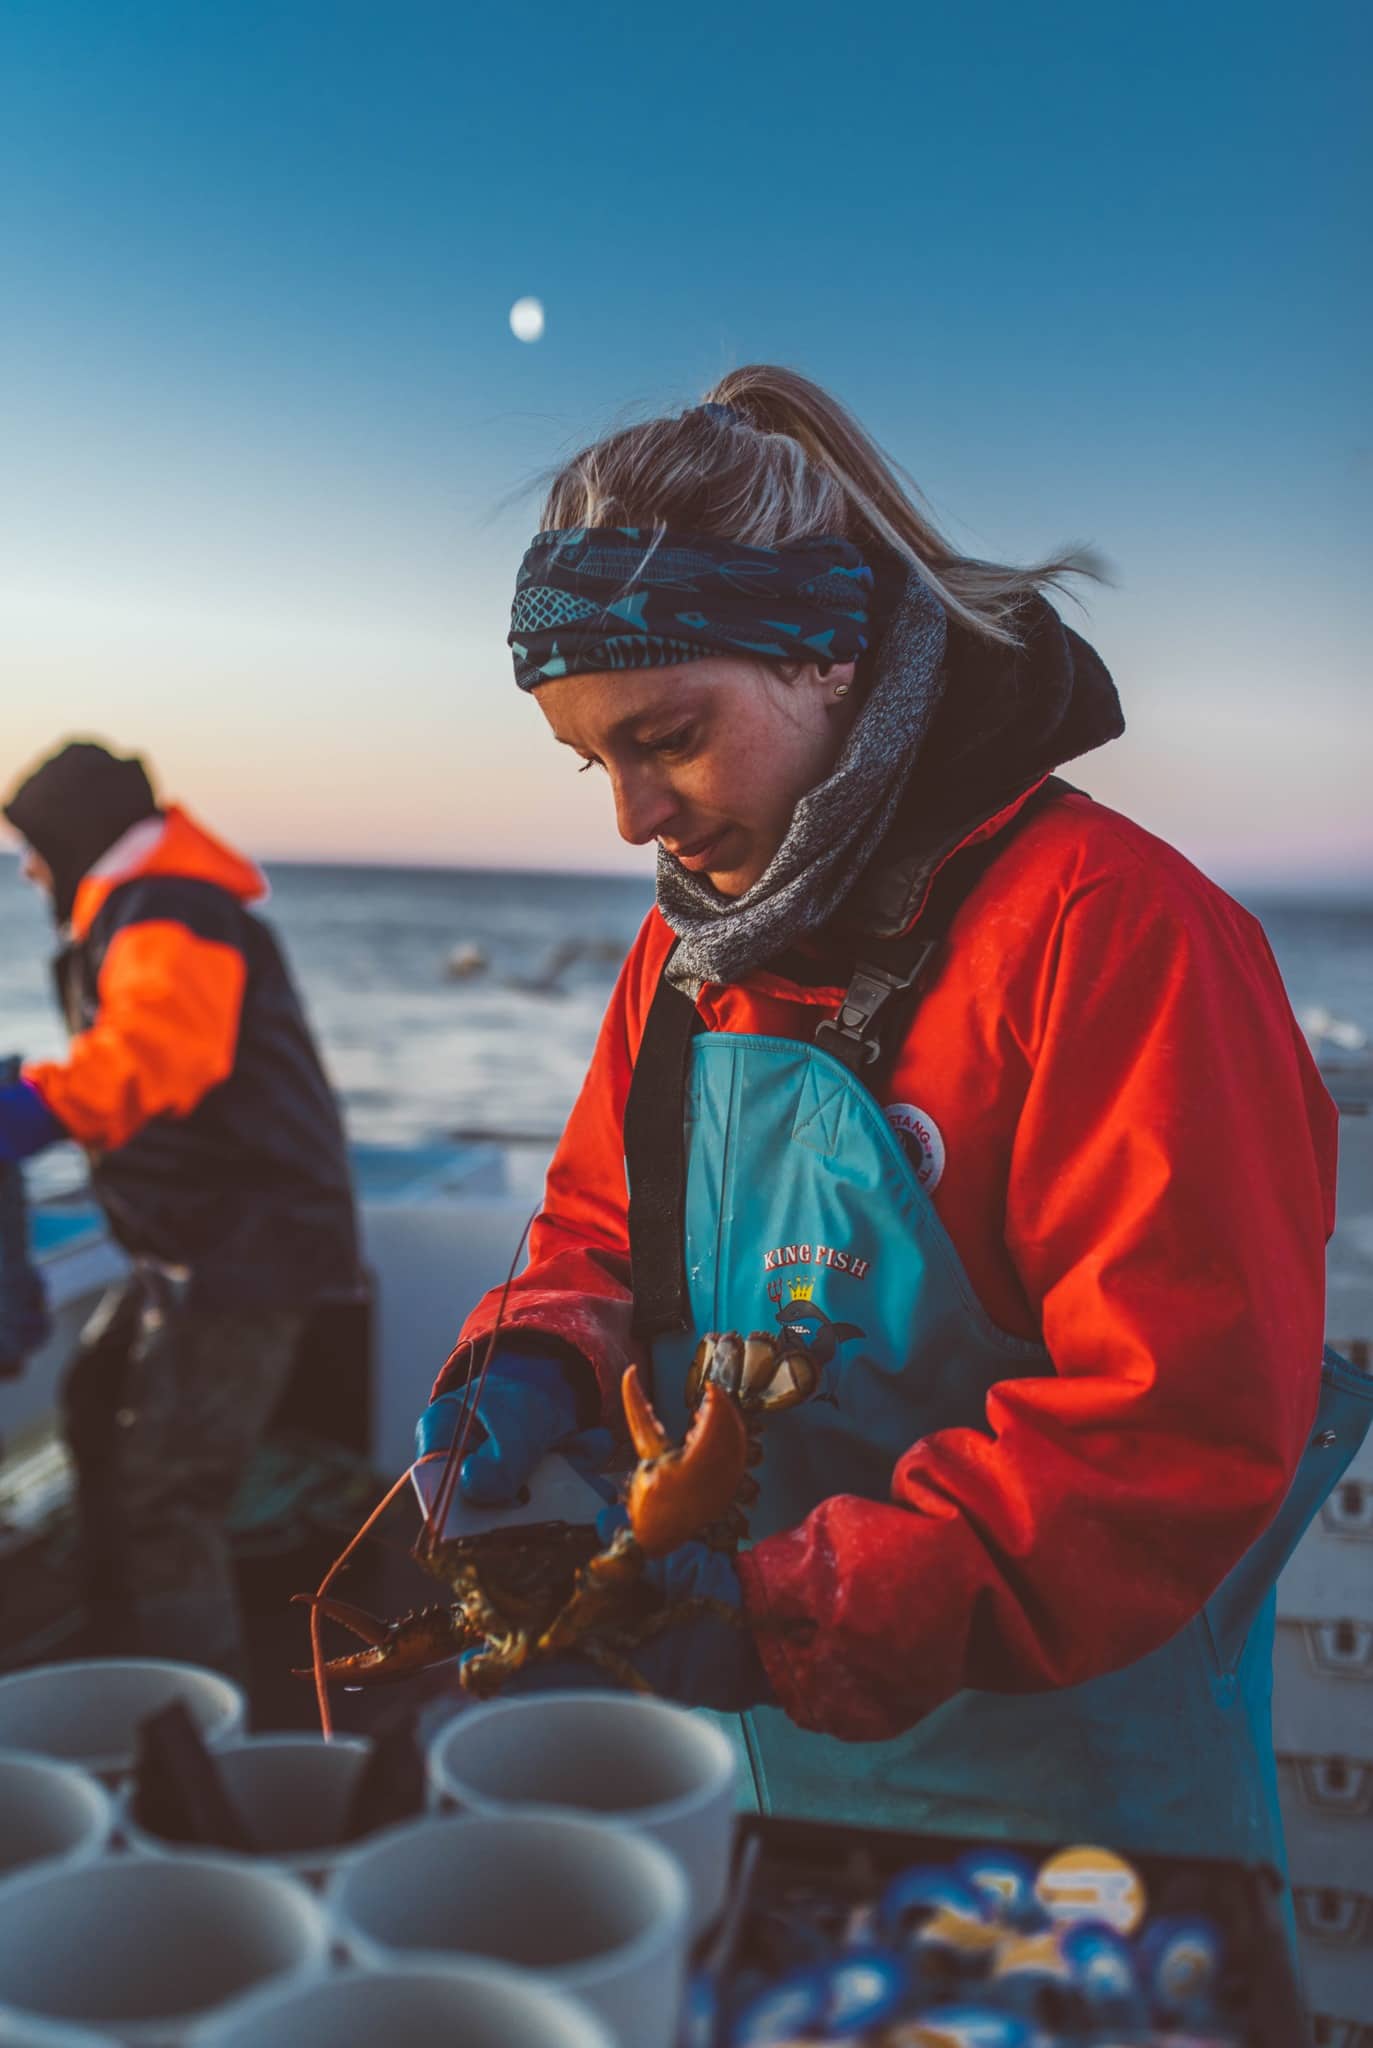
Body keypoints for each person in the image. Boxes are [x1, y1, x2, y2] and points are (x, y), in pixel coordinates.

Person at [417, 368, 1370, 1866]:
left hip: (1066, 1813)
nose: (629, 817)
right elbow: (603, 1225)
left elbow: (1169, 1426)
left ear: (825, 657)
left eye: (663, 735)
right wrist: (532, 1349)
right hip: (755, 1780)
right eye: (590, 759)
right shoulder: (689, 951)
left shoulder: (1117, 933)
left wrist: (791, 1609)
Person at [0, 741, 359, 1677]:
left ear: (75, 837)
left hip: (245, 1252)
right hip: (193, 1249)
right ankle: (117, 1647)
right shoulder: (144, 904)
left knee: (170, 1495)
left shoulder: (168, 908)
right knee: (93, 1401)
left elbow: (158, 1052)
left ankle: (190, 1722)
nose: (29, 868)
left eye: (31, 847)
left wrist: (32, 1108)